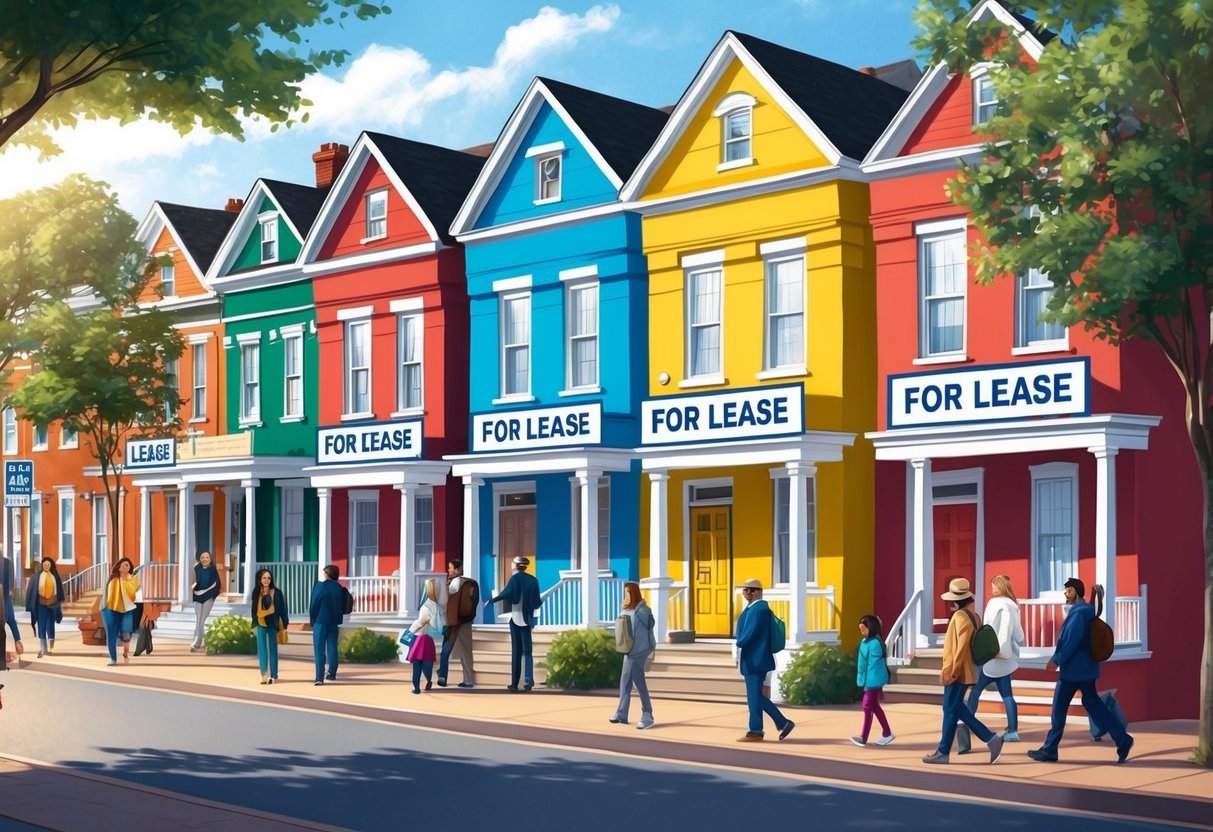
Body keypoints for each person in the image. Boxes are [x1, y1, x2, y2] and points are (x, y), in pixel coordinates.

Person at [1028, 577, 1135, 764]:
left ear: (1076, 592)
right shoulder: (1086, 612)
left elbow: (1070, 642)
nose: (1065, 593)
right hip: (1087, 669)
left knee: (1059, 708)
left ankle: (1050, 750)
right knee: (1092, 702)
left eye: (1068, 590)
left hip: (1073, 671)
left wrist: (1056, 659)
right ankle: (1122, 739)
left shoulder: (1078, 615)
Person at [923, 577, 1005, 764]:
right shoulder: (974, 616)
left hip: (958, 672)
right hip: (968, 670)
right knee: (954, 709)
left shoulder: (960, 617)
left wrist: (952, 672)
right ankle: (988, 740)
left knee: (951, 709)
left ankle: (946, 751)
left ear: (955, 599)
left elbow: (960, 650)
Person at [958, 575, 1025, 749]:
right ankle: (1012, 731)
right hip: (1007, 657)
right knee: (1007, 695)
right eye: (992, 585)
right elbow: (1018, 634)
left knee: (975, 691)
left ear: (1002, 586)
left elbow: (985, 628)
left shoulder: (993, 604)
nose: (993, 588)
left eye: (995, 585)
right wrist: (1019, 642)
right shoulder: (1013, 605)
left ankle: (968, 724)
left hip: (991, 656)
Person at [735, 578, 795, 743]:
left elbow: (749, 633)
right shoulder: (754, 608)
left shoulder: (758, 609)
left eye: (749, 590)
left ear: (757, 592)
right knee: (754, 697)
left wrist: (739, 641)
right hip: (753, 658)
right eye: (744, 590)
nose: (745, 593)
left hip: (756, 659)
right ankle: (773, 725)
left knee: (755, 697)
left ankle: (760, 729)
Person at [486, 556, 542, 692]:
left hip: (515, 619)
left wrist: (492, 600)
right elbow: (537, 602)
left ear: (516, 565)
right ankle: (528, 680)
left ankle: (514, 683)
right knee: (528, 651)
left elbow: (506, 593)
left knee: (516, 652)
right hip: (527, 619)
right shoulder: (533, 580)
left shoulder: (514, 579)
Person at [609, 581, 656, 729]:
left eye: (629, 593)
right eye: (625, 593)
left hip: (639, 650)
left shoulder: (643, 611)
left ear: (634, 593)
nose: (626, 596)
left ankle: (647, 714)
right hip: (628, 651)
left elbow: (648, 627)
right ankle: (622, 713)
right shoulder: (626, 610)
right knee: (625, 681)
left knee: (638, 682)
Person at [851, 614, 894, 747]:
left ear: (871, 628)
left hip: (873, 679)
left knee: (867, 705)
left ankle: (863, 737)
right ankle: (887, 733)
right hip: (868, 679)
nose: (862, 631)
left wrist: (867, 682)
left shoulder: (874, 643)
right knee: (874, 706)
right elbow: (862, 663)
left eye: (864, 628)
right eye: (860, 629)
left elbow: (872, 665)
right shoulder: (866, 642)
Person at [437, 559, 478, 689]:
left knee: (445, 651)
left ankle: (442, 677)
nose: (448, 570)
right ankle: (468, 680)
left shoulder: (454, 583)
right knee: (466, 651)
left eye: (450, 568)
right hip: (466, 621)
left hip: (453, 622)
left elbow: (446, 602)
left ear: (457, 569)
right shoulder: (470, 583)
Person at [405, 578, 445, 694]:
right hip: (429, 639)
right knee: (427, 664)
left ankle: (417, 688)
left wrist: (410, 630)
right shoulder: (437, 606)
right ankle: (428, 680)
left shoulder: (425, 606)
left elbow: (421, 622)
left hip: (419, 638)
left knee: (417, 664)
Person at [250, 568, 288, 685]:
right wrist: (254, 622)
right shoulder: (256, 592)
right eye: (264, 578)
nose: (267, 580)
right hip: (261, 623)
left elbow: (282, 609)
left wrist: (285, 624)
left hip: (273, 623)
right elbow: (254, 608)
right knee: (262, 650)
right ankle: (264, 675)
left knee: (273, 649)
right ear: (259, 579)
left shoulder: (277, 592)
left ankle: (273, 675)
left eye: (269, 578)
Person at [309, 564, 345, 685]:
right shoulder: (339, 588)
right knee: (332, 648)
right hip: (334, 622)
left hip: (320, 621)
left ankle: (319, 677)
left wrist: (312, 618)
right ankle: (332, 674)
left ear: (327, 574)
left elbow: (314, 604)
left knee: (319, 649)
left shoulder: (321, 586)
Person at [102, 557, 140, 666]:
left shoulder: (133, 579)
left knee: (126, 633)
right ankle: (113, 658)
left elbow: (132, 593)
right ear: (118, 567)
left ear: (129, 568)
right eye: (122, 564)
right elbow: (108, 595)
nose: (124, 566)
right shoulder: (113, 579)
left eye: (127, 565)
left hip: (126, 610)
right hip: (111, 609)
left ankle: (125, 653)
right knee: (111, 634)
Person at [24, 557, 65, 658]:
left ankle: (51, 649)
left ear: (51, 566)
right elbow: (31, 590)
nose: (46, 566)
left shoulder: (55, 577)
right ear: (42, 565)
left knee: (50, 625)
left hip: (52, 604)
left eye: (48, 565)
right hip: (40, 603)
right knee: (41, 625)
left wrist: (57, 603)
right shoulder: (37, 576)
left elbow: (59, 592)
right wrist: (29, 604)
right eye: (45, 564)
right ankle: (43, 648)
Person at [190, 551, 221, 653]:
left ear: (210, 559)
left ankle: (197, 642)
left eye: (207, 557)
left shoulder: (213, 569)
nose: (205, 559)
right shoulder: (196, 569)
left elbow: (217, 584)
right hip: (198, 595)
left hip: (209, 596)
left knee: (202, 619)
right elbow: (192, 581)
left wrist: (211, 594)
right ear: (200, 559)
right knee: (199, 618)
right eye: (203, 557)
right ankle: (198, 641)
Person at [1, 553, 23, 669]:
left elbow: (10, 578)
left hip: (4, 596)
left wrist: (10, 590)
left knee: (10, 619)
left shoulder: (6, 562)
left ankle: (18, 643)